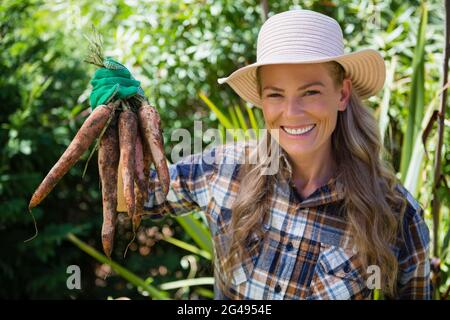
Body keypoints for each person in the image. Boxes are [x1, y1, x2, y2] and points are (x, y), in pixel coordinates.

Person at [90, 9, 431, 300]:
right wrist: (124, 117)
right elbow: (130, 199)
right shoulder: (223, 169)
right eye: (276, 95)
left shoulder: (396, 215)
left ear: (342, 94)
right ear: (262, 101)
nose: (292, 113)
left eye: (310, 92)